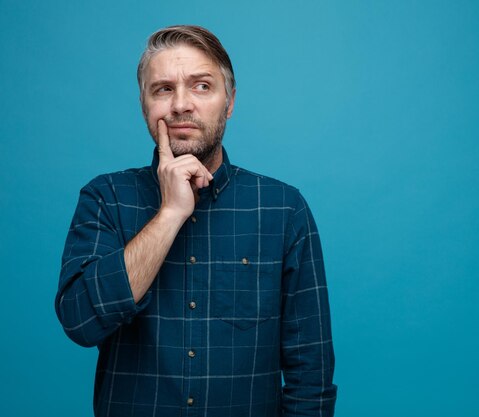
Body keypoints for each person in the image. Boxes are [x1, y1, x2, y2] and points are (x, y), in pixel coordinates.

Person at [55, 25, 337, 417]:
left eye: (202, 86)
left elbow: (311, 375)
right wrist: (169, 214)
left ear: (230, 102)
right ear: (144, 104)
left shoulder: (284, 209)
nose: (181, 105)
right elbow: (80, 322)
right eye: (163, 89)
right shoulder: (106, 198)